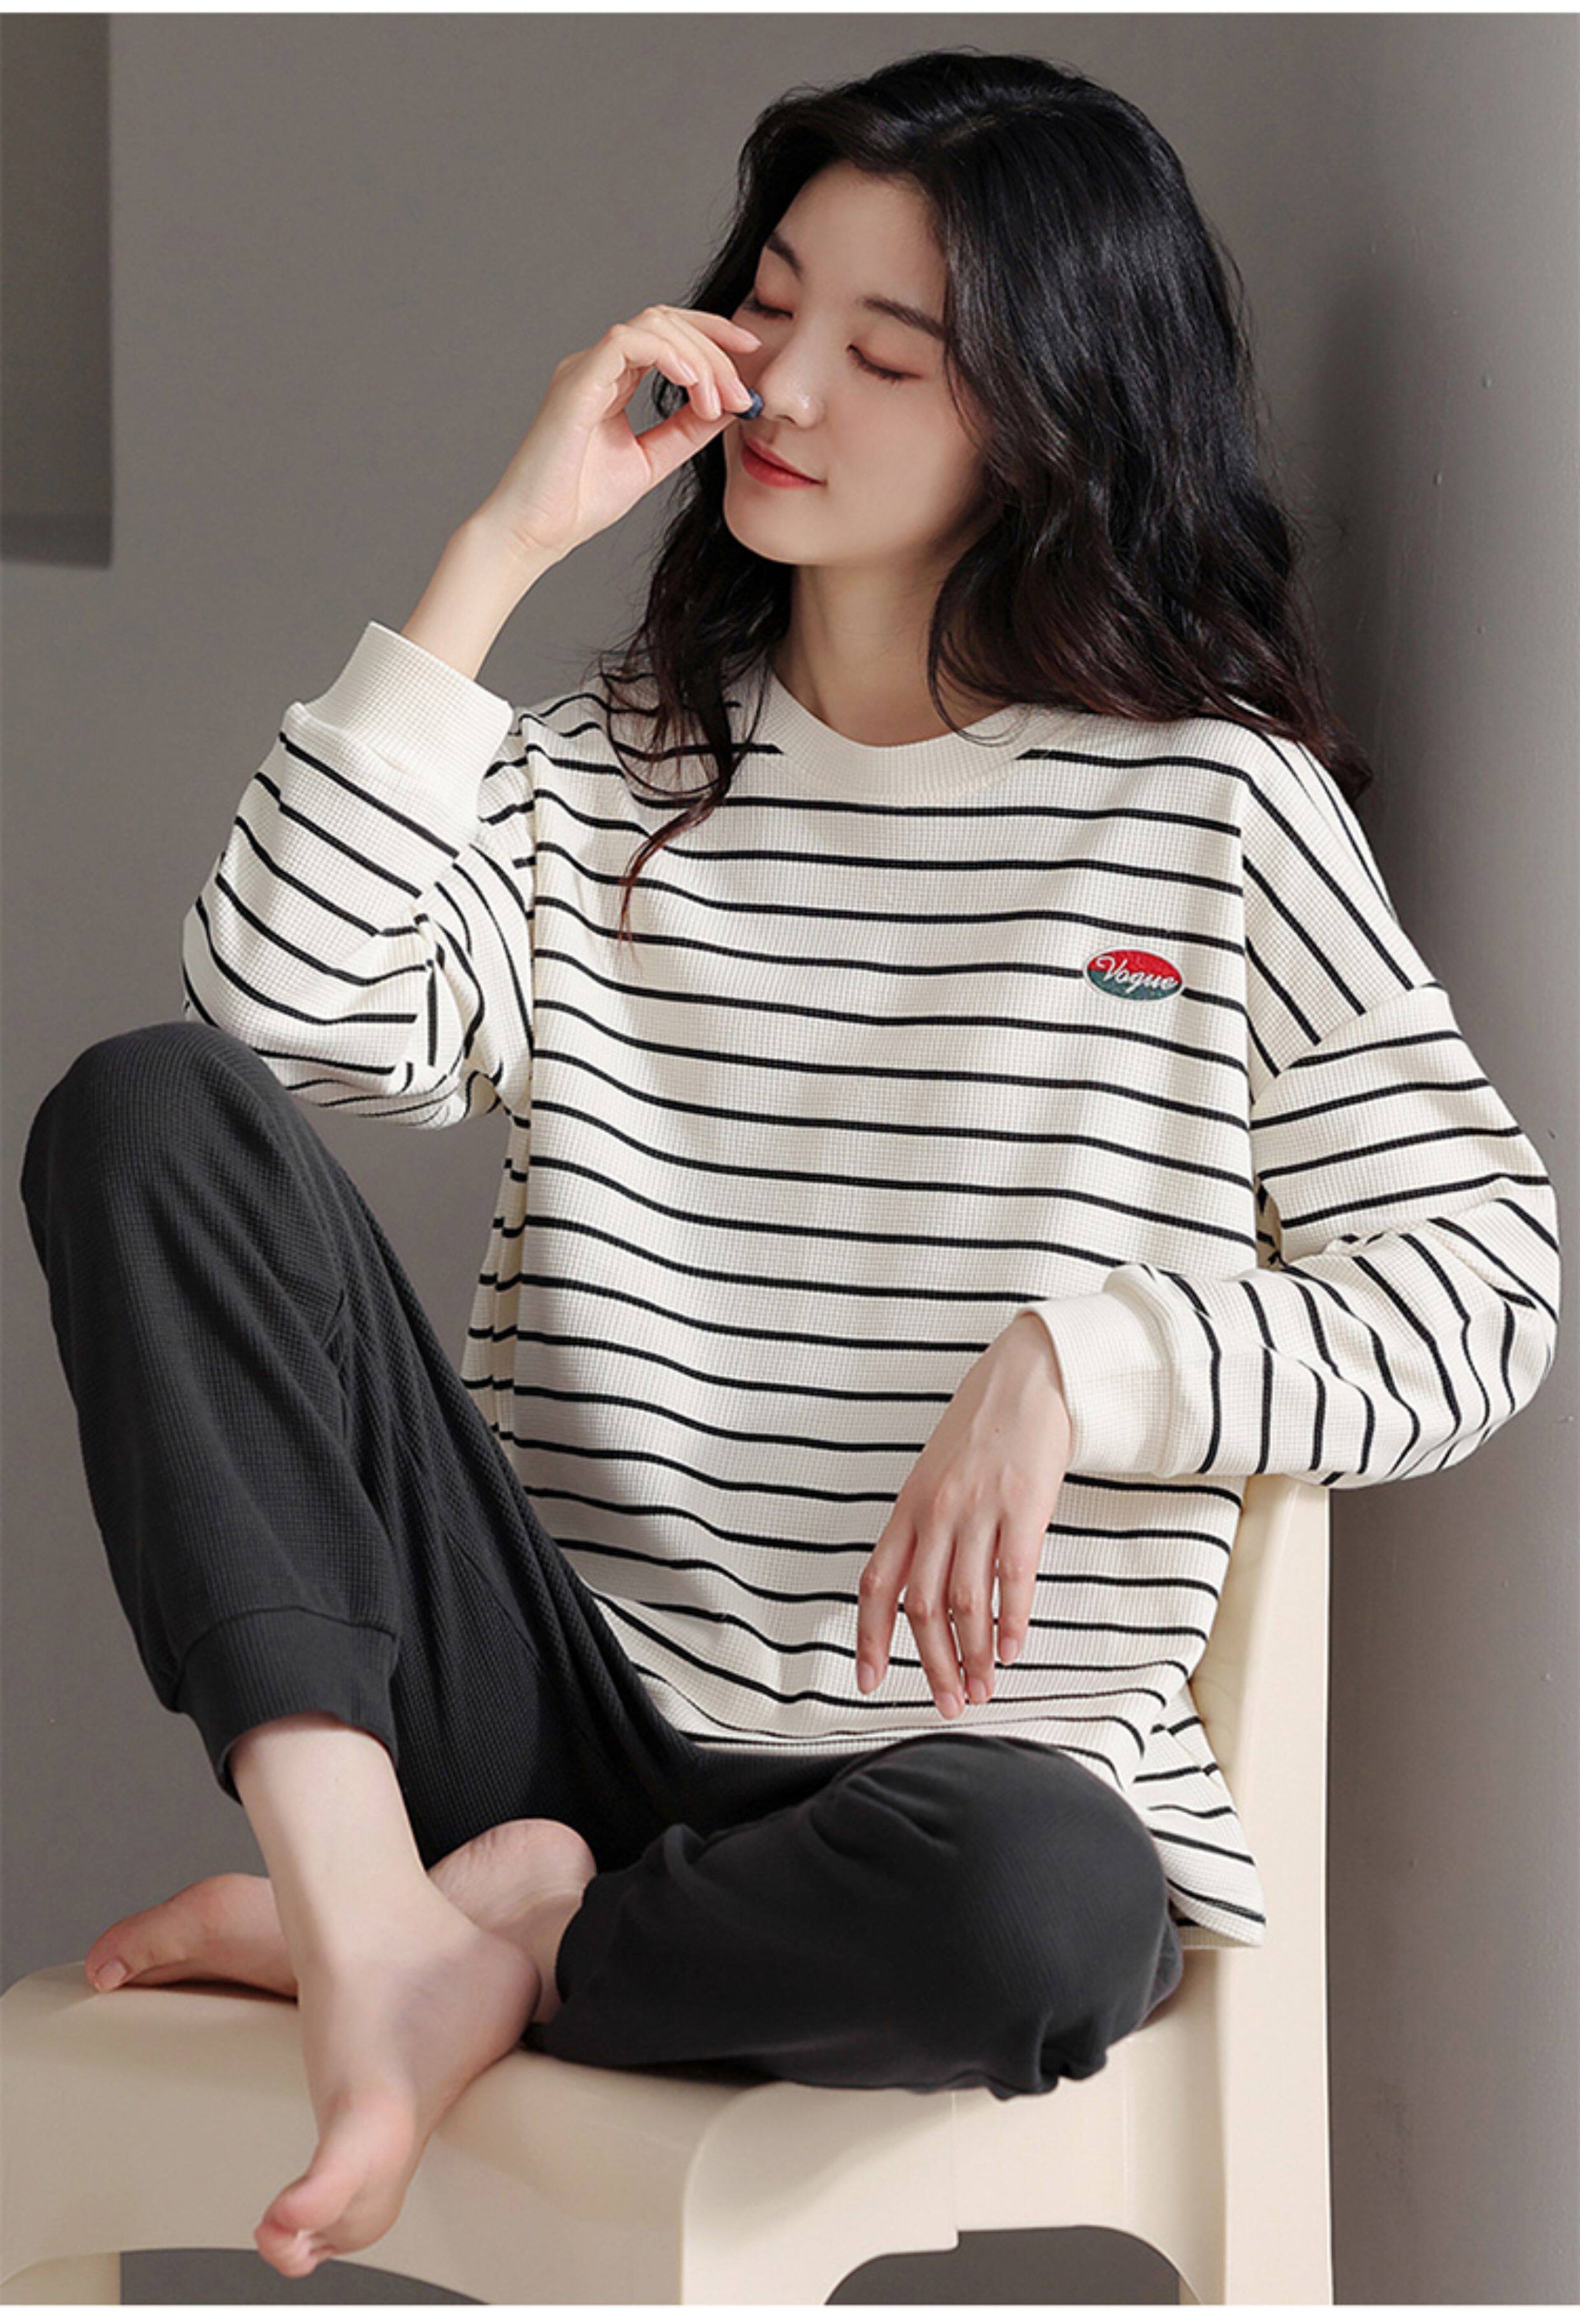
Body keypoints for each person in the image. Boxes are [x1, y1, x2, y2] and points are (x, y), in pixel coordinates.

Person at [19, 47, 1560, 2287]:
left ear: (1053, 415)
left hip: (928, 1794)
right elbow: (278, 1014)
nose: (783, 387)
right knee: (142, 1109)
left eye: (889, 351)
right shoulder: (607, 778)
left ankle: (511, 1949)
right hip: (544, 1701)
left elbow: (1488, 1283)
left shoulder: (1212, 817)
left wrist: (1087, 1359)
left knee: (1040, 1906)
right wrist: (501, 546)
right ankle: (370, 1912)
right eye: (769, 303)